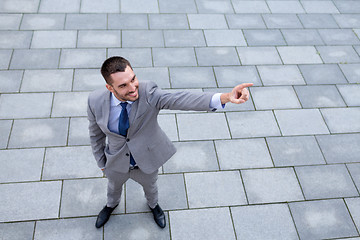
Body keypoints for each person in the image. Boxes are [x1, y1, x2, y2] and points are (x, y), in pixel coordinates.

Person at [87, 56, 253, 229]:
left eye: (133, 79)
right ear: (109, 87)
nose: (132, 88)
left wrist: (225, 97)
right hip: (115, 161)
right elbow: (95, 135)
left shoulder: (149, 93)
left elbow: (182, 99)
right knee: (113, 188)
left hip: (146, 160)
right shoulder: (95, 101)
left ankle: (153, 206)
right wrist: (101, 163)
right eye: (123, 85)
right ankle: (111, 205)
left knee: (151, 188)